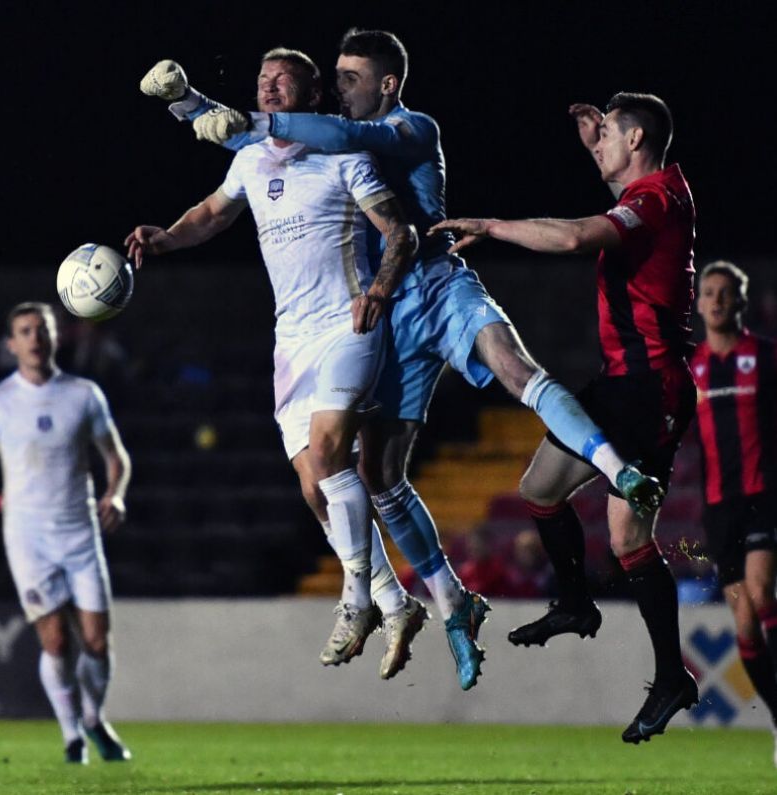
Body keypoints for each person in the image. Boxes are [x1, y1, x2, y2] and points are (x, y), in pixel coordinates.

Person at [140, 31, 661, 691]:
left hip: (430, 287)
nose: (343, 86)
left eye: (351, 77)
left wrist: (235, 116)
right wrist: (186, 102)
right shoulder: (327, 138)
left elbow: (281, 129)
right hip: (385, 314)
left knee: (514, 370)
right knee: (376, 474)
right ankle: (448, 604)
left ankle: (620, 468)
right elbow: (253, 146)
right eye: (337, 76)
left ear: (385, 83)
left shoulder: (404, 127)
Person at [129, 48, 426, 681]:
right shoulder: (249, 159)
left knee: (328, 457)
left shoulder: (346, 157)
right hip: (289, 340)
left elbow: (401, 232)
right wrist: (164, 236)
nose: (266, 88)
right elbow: (211, 215)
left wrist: (380, 291)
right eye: (260, 79)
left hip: (347, 324)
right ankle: (394, 604)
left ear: (312, 93)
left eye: (280, 79)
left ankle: (355, 599)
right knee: (312, 485)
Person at [431, 92, 699, 742]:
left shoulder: (657, 196)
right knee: (583, 513)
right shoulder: (653, 191)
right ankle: (616, 634)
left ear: (636, 138)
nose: (597, 139)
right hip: (631, 384)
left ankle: (628, 644)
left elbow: (580, 235)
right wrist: (597, 150)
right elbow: (616, 197)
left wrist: (492, 226)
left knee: (583, 513)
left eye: (607, 132)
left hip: (647, 387)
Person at [0, 303, 131, 763]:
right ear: (12, 344)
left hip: (80, 528)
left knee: (97, 641)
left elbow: (116, 457)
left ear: (55, 337)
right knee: (57, 641)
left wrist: (117, 494)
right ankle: (72, 736)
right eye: (24, 331)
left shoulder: (83, 394)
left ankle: (92, 717)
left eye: (41, 329)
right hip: (28, 536)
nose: (34, 338)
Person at [692, 260, 777, 765]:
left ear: (740, 302)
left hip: (764, 495)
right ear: (699, 303)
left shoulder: (765, 358)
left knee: (763, 593)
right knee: (745, 625)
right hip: (718, 508)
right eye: (710, 292)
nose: (718, 300)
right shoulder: (691, 369)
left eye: (727, 292)